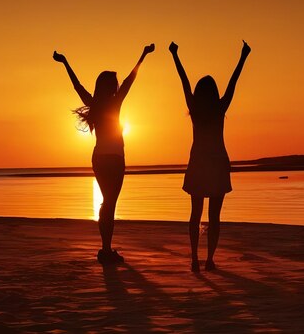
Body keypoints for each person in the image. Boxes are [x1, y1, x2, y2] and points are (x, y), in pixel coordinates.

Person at [53, 44, 155, 264]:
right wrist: (143, 55)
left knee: (108, 203)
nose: (118, 86)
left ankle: (106, 249)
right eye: (115, 84)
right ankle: (106, 250)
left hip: (100, 158)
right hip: (115, 159)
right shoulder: (114, 103)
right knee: (110, 203)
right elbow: (130, 80)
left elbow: (77, 85)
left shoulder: (96, 103)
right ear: (111, 87)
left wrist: (65, 63)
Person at [169, 40, 251, 272]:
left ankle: (195, 258)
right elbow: (233, 82)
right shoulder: (219, 107)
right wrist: (243, 57)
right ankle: (209, 260)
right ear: (214, 93)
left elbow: (183, 81)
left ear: (198, 92)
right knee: (214, 216)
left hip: (198, 163)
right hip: (216, 163)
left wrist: (175, 55)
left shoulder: (195, 108)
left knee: (196, 213)